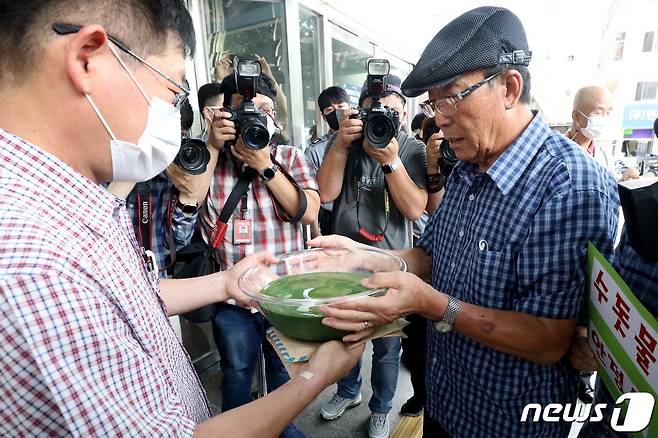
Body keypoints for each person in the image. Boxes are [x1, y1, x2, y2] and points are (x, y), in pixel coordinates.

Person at [0, 2, 362, 436]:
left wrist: (227, 282)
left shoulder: (65, 209)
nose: (172, 117)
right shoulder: (32, 263)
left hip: (260, 295)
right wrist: (315, 377)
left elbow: (131, 297)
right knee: (238, 375)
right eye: (172, 93)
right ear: (88, 60)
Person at [313, 7, 620, 437]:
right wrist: (362, 258)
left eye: (451, 98)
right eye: (433, 103)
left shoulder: (571, 186)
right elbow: (428, 256)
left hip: (509, 423)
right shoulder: (467, 168)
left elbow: (549, 338)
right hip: (446, 401)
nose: (438, 117)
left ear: (510, 88)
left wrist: (433, 304)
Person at [197, 69, 320, 437]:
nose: (257, 118)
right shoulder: (211, 161)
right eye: (245, 111)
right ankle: (238, 429)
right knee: (236, 370)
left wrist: (264, 165)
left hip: (285, 296)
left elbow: (309, 212)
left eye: (265, 110)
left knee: (283, 370)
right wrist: (212, 146)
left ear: (276, 120)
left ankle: (280, 425)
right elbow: (186, 215)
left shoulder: (290, 157)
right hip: (233, 296)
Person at [316, 74, 428, 438]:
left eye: (393, 114)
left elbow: (414, 209)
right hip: (345, 265)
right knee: (345, 336)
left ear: (404, 113)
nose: (384, 122)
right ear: (359, 113)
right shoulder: (346, 143)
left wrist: (391, 161)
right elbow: (326, 194)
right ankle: (348, 392)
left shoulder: (411, 148)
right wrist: (340, 146)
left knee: (387, 346)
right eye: (374, 113)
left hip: (393, 264)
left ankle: (380, 407)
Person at [566, 85, 639, 181]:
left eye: (608, 113)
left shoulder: (604, 155)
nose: (604, 119)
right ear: (576, 116)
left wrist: (623, 181)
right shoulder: (556, 151)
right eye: (598, 113)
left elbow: (608, 188)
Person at [305, 86, 350, 238]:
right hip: (330, 216)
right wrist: (315, 231)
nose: (336, 112)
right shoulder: (315, 150)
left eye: (340, 107)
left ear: (350, 107)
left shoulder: (364, 141)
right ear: (324, 117)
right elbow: (311, 192)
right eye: (329, 110)